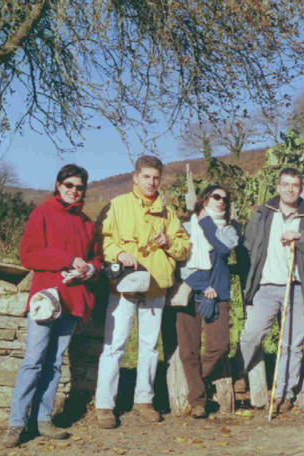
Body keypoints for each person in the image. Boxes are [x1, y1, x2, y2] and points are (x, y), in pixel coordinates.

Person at [4, 164, 101, 448]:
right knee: (34, 360)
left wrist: (90, 271)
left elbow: (95, 258)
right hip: (46, 300)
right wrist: (67, 259)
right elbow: (28, 255)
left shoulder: (86, 222)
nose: (74, 190)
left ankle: (44, 420)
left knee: (55, 363)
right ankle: (16, 423)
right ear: (58, 185)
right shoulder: (43, 212)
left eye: (79, 186)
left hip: (73, 300)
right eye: (69, 185)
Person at [94, 155, 190, 428]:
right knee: (114, 345)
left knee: (149, 346)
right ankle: (104, 405)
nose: (151, 182)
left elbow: (185, 246)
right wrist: (119, 252)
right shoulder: (117, 205)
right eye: (146, 176)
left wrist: (170, 240)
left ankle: (144, 400)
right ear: (135, 177)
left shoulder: (167, 211)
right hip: (124, 284)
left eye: (156, 177)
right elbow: (102, 239)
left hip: (156, 284)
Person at [236, 167, 304, 414]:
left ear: (301, 189)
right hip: (267, 286)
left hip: (297, 288)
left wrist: (300, 237)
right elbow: (248, 246)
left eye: (294, 185)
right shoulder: (263, 214)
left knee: (292, 344)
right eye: (285, 184)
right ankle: (238, 371)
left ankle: (283, 394)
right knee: (252, 333)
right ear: (277, 187)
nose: (289, 189)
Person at [176, 185, 240, 418]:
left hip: (219, 294)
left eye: (225, 197)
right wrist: (203, 285)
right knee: (188, 349)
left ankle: (197, 383)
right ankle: (198, 402)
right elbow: (180, 261)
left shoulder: (230, 230)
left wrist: (206, 224)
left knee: (219, 345)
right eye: (216, 196)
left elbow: (223, 249)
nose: (221, 200)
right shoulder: (184, 228)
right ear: (204, 200)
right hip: (191, 291)